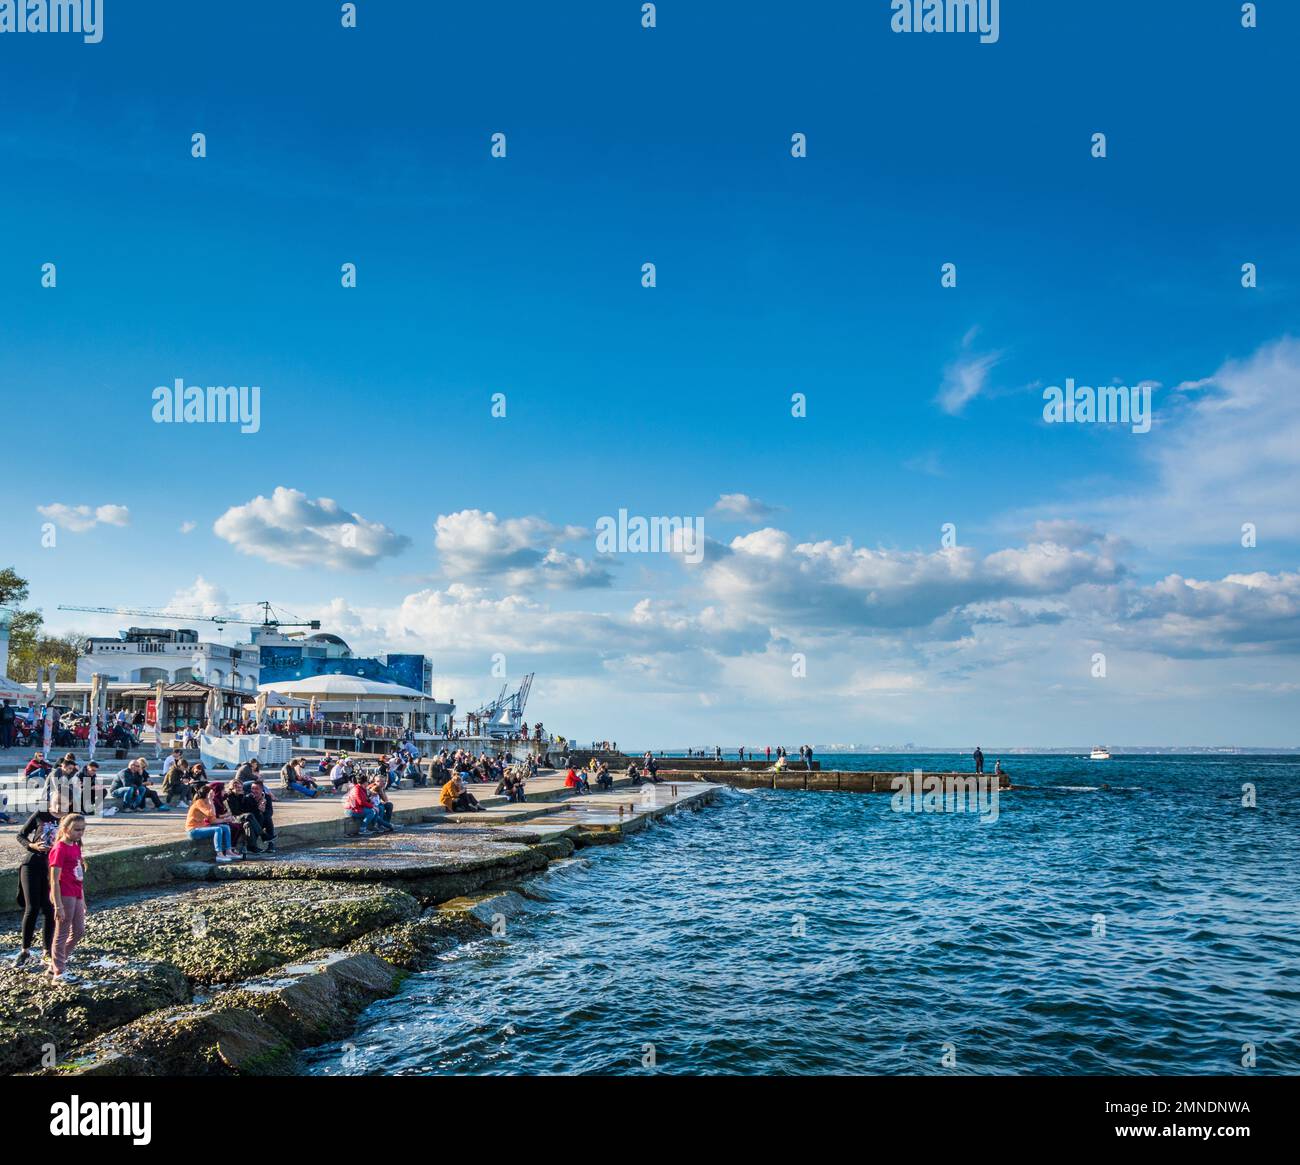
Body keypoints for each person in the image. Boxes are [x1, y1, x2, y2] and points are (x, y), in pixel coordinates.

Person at [13, 787, 65, 969]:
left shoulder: (68, 819)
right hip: (32, 864)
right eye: (56, 803)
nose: (59, 807)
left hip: (52, 867)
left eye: (63, 803)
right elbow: (20, 836)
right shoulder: (41, 813)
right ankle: (25, 950)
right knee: (32, 907)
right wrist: (32, 846)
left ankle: (47, 951)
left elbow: (75, 841)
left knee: (50, 908)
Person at [47, 813, 89, 982]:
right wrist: (58, 905)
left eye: (83, 830)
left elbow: (78, 875)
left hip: (76, 892)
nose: (80, 833)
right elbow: (54, 880)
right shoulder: (59, 849)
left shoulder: (75, 846)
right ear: (65, 829)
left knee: (79, 931)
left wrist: (83, 898)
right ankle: (59, 971)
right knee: (62, 932)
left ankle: (55, 963)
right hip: (64, 893)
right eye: (77, 830)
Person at [186, 784, 240, 863]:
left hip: (202, 827)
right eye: (211, 792)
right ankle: (219, 854)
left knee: (225, 827)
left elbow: (213, 820)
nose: (213, 794)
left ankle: (229, 852)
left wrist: (225, 820)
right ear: (207, 794)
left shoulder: (207, 803)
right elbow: (211, 814)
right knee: (217, 829)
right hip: (193, 830)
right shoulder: (199, 802)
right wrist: (211, 801)